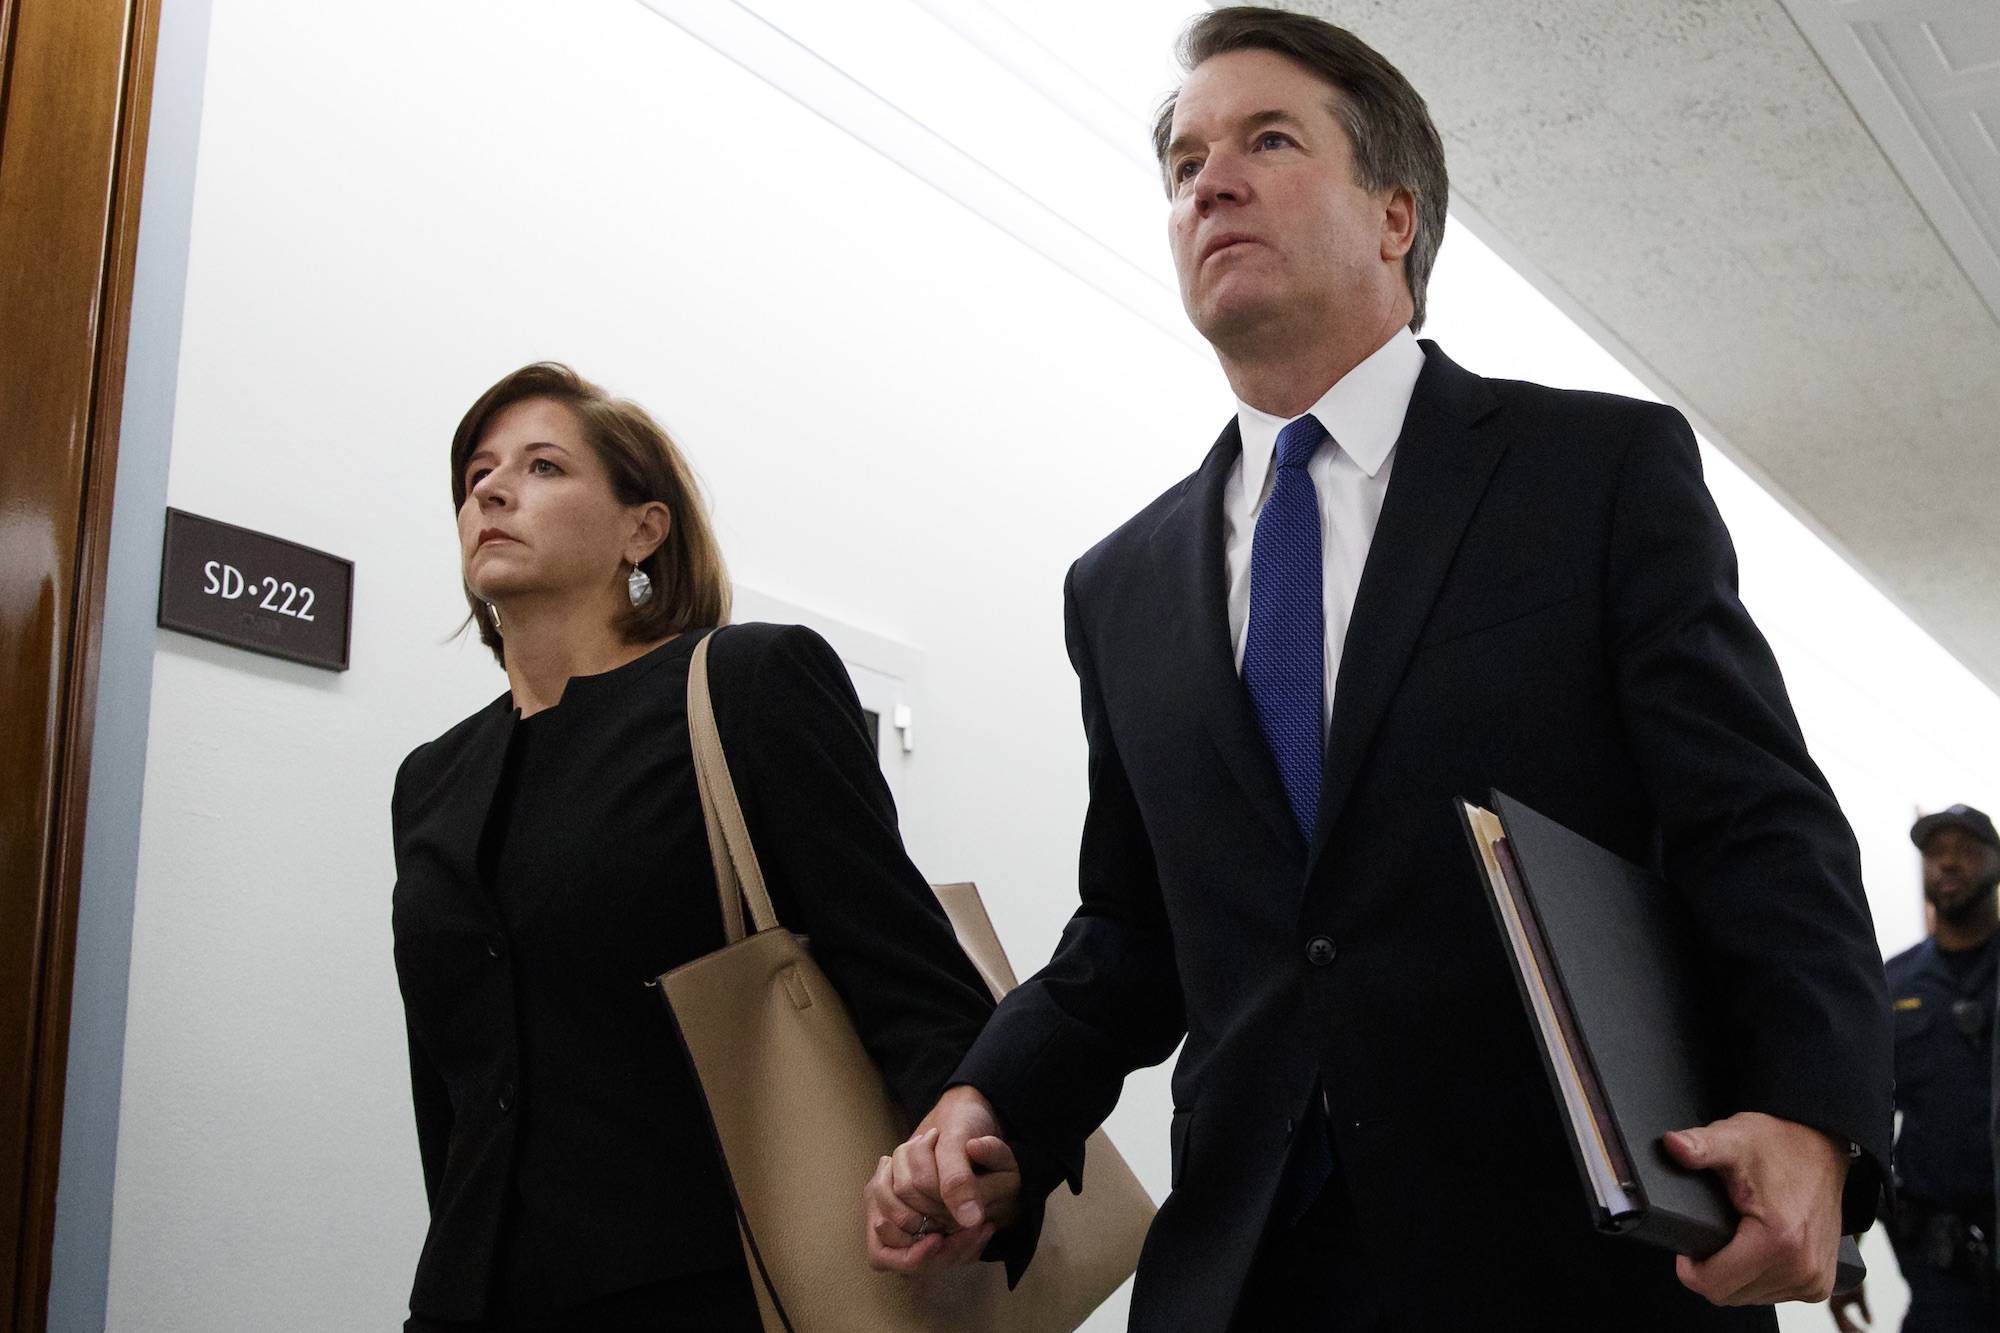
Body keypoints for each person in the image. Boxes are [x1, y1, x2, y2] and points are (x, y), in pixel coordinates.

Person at [863, 8, 1893, 1330]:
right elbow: (1130, 932)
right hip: (1244, 1276)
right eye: (1183, 164)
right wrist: (987, 1100)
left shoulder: (1594, 478)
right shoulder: (1119, 588)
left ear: (1396, 215)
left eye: (1267, 139)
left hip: (1565, 1267)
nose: (1208, 181)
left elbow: (1754, 821)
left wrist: (1812, 1116)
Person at [392, 362, 999, 1331]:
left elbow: (907, 974)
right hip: (471, 1296)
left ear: (644, 527)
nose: (493, 491)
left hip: (720, 1289)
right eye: (475, 477)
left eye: (543, 466)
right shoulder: (432, 781)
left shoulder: (742, 686)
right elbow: (453, 1088)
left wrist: (965, 1149)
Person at [1833, 806, 2000, 1333]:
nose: (1948, 863)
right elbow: (1863, 1122)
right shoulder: (1893, 985)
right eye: (1935, 853)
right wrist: (1844, 1256)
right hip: (1941, 1268)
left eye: (1966, 850)